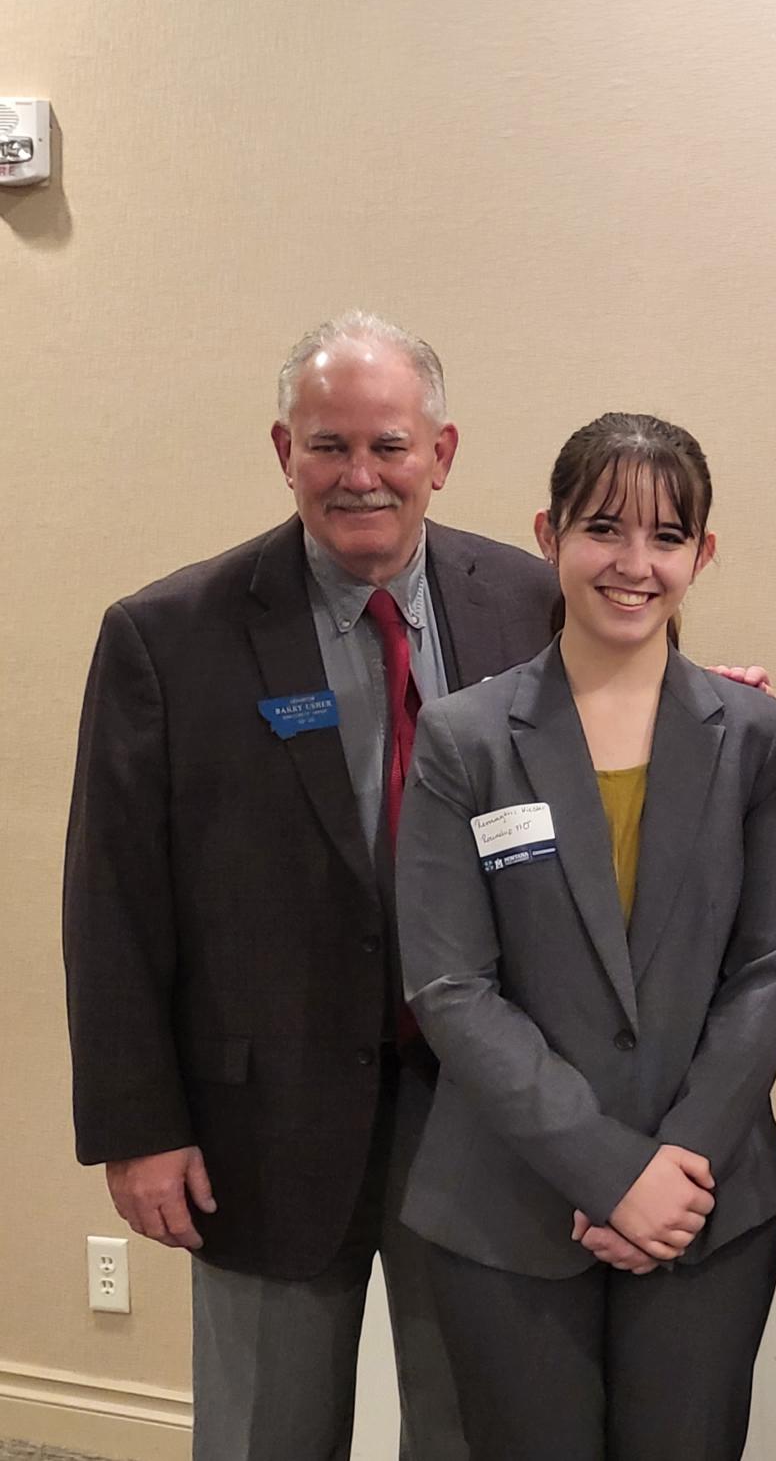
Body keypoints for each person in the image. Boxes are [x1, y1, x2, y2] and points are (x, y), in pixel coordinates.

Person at [62, 312, 556, 1459]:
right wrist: (138, 1129)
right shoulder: (167, 635)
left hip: (480, 1121)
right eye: (328, 446)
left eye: (388, 445)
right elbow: (113, 904)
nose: (360, 476)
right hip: (255, 1129)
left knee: (474, 1430)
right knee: (260, 1436)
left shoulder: (532, 607)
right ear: (284, 452)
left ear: (442, 453)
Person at [394, 411, 776, 1461]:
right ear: (548, 533)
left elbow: (771, 967)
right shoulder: (464, 739)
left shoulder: (756, 736)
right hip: (506, 1203)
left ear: (701, 555)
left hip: (702, 1200)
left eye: (666, 536)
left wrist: (668, 1164)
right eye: (602, 528)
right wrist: (604, 1170)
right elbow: (451, 987)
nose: (633, 563)